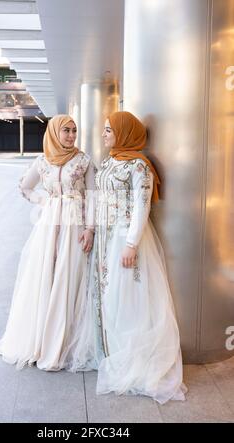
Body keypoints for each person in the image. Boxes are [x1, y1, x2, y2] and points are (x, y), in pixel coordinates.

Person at [68, 111, 187, 404]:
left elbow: (141, 207)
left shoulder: (139, 167)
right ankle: (107, 352)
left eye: (109, 130)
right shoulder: (109, 162)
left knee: (126, 297)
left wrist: (132, 244)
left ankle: (128, 358)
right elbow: (97, 198)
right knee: (105, 295)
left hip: (124, 239)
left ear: (124, 132)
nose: (104, 134)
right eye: (105, 129)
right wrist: (91, 229)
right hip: (104, 241)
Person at [0, 114, 95, 371]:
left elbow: (95, 197)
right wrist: (46, 202)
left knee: (68, 277)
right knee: (46, 276)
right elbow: (25, 188)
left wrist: (90, 229)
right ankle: (40, 338)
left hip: (75, 228)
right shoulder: (43, 161)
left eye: (74, 130)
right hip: (49, 228)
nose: (71, 135)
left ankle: (63, 340)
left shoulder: (83, 161)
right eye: (66, 131)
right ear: (54, 133)